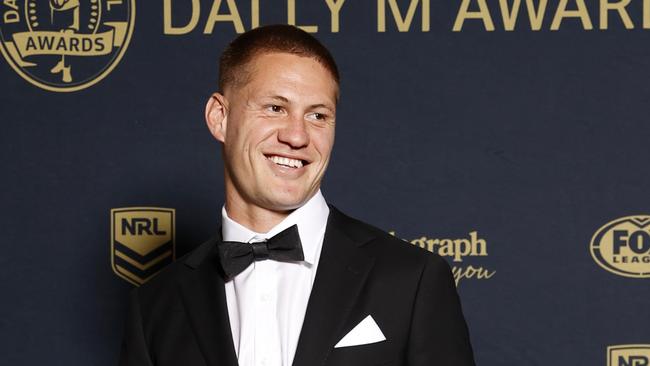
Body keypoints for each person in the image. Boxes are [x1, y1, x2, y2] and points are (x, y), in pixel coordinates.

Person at [118, 24, 475, 366]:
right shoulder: (154, 305)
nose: (297, 136)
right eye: (276, 108)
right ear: (220, 117)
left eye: (318, 116)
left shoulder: (412, 279)